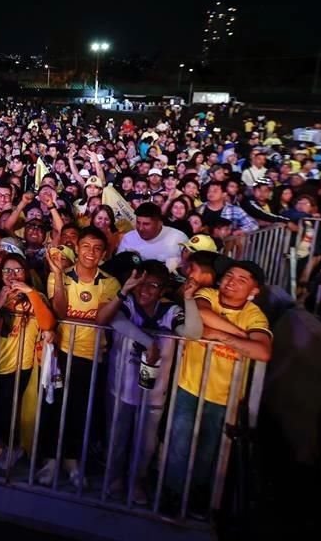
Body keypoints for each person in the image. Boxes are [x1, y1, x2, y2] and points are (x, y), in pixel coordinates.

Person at [164, 260, 272, 514]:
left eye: (241, 280)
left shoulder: (255, 316)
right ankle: (171, 494)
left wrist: (221, 335)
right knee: (178, 445)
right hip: (188, 386)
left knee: (209, 452)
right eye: (230, 276)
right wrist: (242, 337)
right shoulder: (208, 294)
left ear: (254, 291)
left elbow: (263, 351)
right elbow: (201, 315)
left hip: (225, 396)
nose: (231, 282)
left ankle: (198, 498)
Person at [105, 260, 202, 504]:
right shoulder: (127, 303)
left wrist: (189, 299)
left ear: (163, 290)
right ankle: (113, 477)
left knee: (146, 442)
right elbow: (113, 320)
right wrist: (149, 343)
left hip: (154, 392)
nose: (145, 290)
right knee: (117, 435)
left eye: (153, 285)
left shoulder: (169, 311)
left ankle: (137, 481)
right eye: (141, 283)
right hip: (121, 386)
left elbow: (192, 332)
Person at [40, 226, 121, 488]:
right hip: (61, 352)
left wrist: (71, 319)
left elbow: (100, 319)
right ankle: (51, 460)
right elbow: (60, 311)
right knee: (54, 406)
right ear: (76, 247)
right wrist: (59, 276)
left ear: (104, 253)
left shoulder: (110, 282)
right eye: (85, 246)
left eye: (97, 248)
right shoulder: (59, 275)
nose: (91, 253)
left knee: (79, 410)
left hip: (91, 355)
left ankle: (72, 461)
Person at [0, 253, 55, 470]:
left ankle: (12, 446)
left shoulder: (35, 298)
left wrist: (30, 293)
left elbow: (47, 324)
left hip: (20, 363)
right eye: (7, 271)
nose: (12, 275)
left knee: (11, 407)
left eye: (17, 270)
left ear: (26, 273)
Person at [116, 203, 188, 271]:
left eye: (146, 224)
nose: (140, 228)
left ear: (159, 223)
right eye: (138, 222)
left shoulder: (179, 238)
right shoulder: (128, 238)